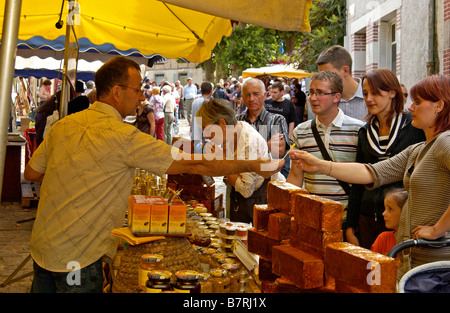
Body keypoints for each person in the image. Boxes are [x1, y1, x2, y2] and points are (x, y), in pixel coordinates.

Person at [24, 56, 283, 293]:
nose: (140, 97)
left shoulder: (64, 125)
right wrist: (253, 165)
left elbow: (33, 172)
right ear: (116, 92)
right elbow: (196, 165)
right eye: (137, 90)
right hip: (77, 258)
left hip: (44, 245)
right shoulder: (123, 136)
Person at [288, 74, 450, 279]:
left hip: (435, 263)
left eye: (417, 102)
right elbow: (371, 172)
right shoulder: (418, 150)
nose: (410, 108)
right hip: (415, 258)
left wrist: (437, 229)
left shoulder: (445, 141)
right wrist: (320, 165)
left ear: (439, 106)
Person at [345, 68, 426, 249]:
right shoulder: (365, 131)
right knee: (369, 275)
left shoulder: (414, 126)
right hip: (367, 219)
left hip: (402, 220)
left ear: (392, 93)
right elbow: (358, 182)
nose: (369, 99)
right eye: (365, 93)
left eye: (375, 93)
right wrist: (350, 225)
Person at [287, 71, 365, 211]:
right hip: (312, 217)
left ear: (336, 97)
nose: (313, 98)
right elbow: (295, 176)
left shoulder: (359, 130)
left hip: (347, 217)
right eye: (311, 92)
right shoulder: (300, 131)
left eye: (320, 93)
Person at [196, 99, 283, 223]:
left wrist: (224, 161)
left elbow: (246, 190)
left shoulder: (247, 143)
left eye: (206, 129)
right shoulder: (237, 128)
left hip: (256, 207)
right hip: (246, 206)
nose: (206, 135)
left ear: (222, 124)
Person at [237, 78, 290, 177]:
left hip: (267, 181)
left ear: (264, 95)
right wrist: (267, 145)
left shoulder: (276, 120)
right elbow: (230, 153)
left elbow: (277, 151)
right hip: (240, 182)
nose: (251, 99)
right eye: (247, 95)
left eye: (256, 94)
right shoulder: (236, 121)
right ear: (242, 97)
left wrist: (245, 150)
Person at [316, 45, 367, 120]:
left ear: (345, 70)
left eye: (328, 74)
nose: (323, 80)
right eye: (321, 75)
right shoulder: (326, 100)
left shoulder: (370, 98)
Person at [371, 187, 408, 255]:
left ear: (405, 212)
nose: (383, 213)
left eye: (390, 209)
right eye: (385, 208)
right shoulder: (383, 239)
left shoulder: (415, 242)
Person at [191, 82, 212, 153]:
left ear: (201, 90)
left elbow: (192, 118)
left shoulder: (195, 101)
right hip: (202, 137)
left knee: (197, 159)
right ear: (211, 91)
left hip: (195, 134)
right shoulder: (206, 102)